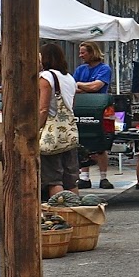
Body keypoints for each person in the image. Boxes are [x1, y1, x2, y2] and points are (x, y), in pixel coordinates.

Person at [38, 43, 79, 201]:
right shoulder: (70, 78)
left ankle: (59, 211)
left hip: (52, 135)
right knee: (70, 178)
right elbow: (71, 105)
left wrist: (35, 129)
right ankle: (75, 210)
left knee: (53, 178)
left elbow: (43, 109)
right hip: (69, 134)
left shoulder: (46, 77)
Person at [72, 41, 114, 189]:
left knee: (100, 145)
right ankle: (84, 177)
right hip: (81, 108)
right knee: (82, 143)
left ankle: (103, 177)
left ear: (92, 52)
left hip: (100, 109)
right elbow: (73, 87)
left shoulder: (104, 69)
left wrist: (80, 85)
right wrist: (86, 87)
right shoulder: (80, 69)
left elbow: (96, 86)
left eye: (83, 52)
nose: (80, 55)